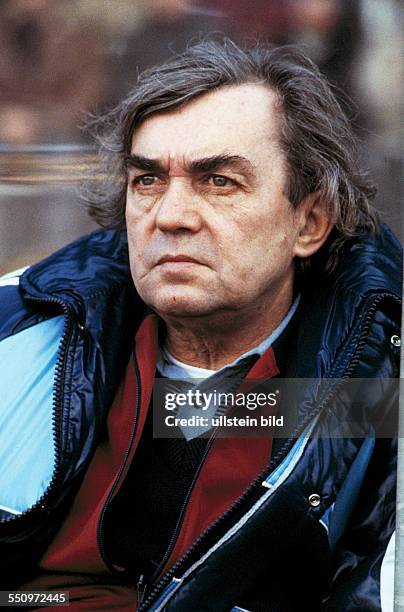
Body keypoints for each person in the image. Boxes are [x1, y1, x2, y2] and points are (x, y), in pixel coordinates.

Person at [0, 39, 401, 611]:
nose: (170, 216)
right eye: (148, 180)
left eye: (219, 182)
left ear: (309, 222)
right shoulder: (19, 328)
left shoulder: (381, 372)